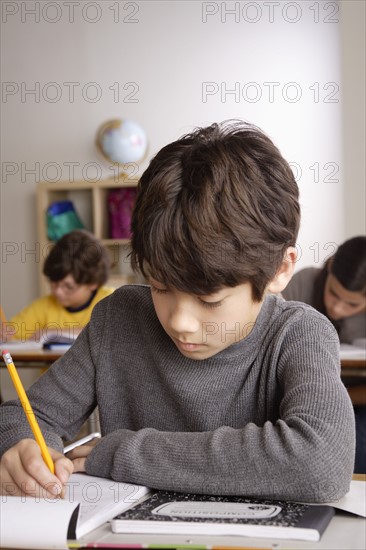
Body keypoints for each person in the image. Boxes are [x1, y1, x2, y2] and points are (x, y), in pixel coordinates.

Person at [0, 121, 355, 504]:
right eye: (160, 286)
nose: (179, 322)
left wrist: (126, 454)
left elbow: (321, 463)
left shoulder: (300, 334)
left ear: (279, 270)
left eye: (210, 300)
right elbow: (27, 415)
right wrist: (23, 447)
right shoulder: (117, 319)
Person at [282, 236, 366, 473]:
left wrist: (332, 402)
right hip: (296, 398)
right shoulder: (303, 283)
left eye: (352, 305)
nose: (337, 308)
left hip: (354, 401)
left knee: (353, 450)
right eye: (333, 294)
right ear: (329, 267)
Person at [1, 229, 114, 343]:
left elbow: (112, 332)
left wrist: (53, 332)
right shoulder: (43, 307)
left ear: (93, 283)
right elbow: (10, 334)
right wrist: (4, 335)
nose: (58, 292)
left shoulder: (111, 301)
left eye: (68, 287)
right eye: (54, 282)